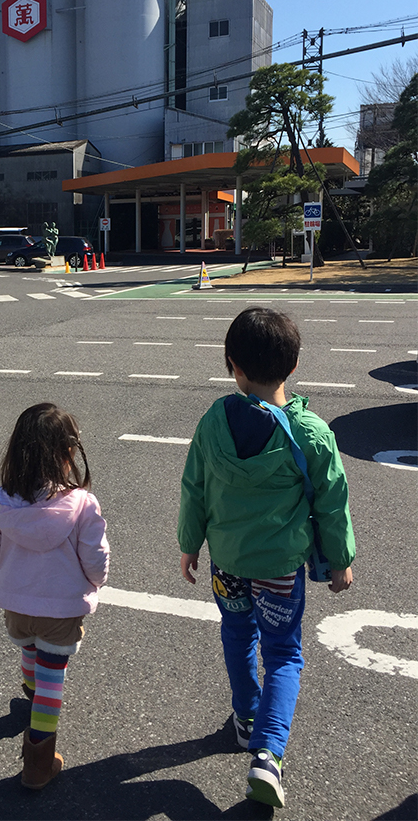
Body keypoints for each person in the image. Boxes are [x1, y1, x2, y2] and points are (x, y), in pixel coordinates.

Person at [177, 307, 355, 809]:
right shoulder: (311, 432)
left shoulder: (213, 420)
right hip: (279, 570)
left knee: (237, 636)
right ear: (294, 365)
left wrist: (189, 542)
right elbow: (332, 499)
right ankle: (268, 755)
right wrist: (340, 560)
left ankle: (245, 717)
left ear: (232, 365)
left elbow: (195, 488)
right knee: (283, 653)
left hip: (227, 564)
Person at [0, 402, 110, 790]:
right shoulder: (81, 505)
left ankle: (29, 692)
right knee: (54, 679)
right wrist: (95, 582)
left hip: (17, 604)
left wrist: (8, 575)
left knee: (29, 649)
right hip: (62, 608)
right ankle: (38, 761)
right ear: (68, 454)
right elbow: (95, 558)